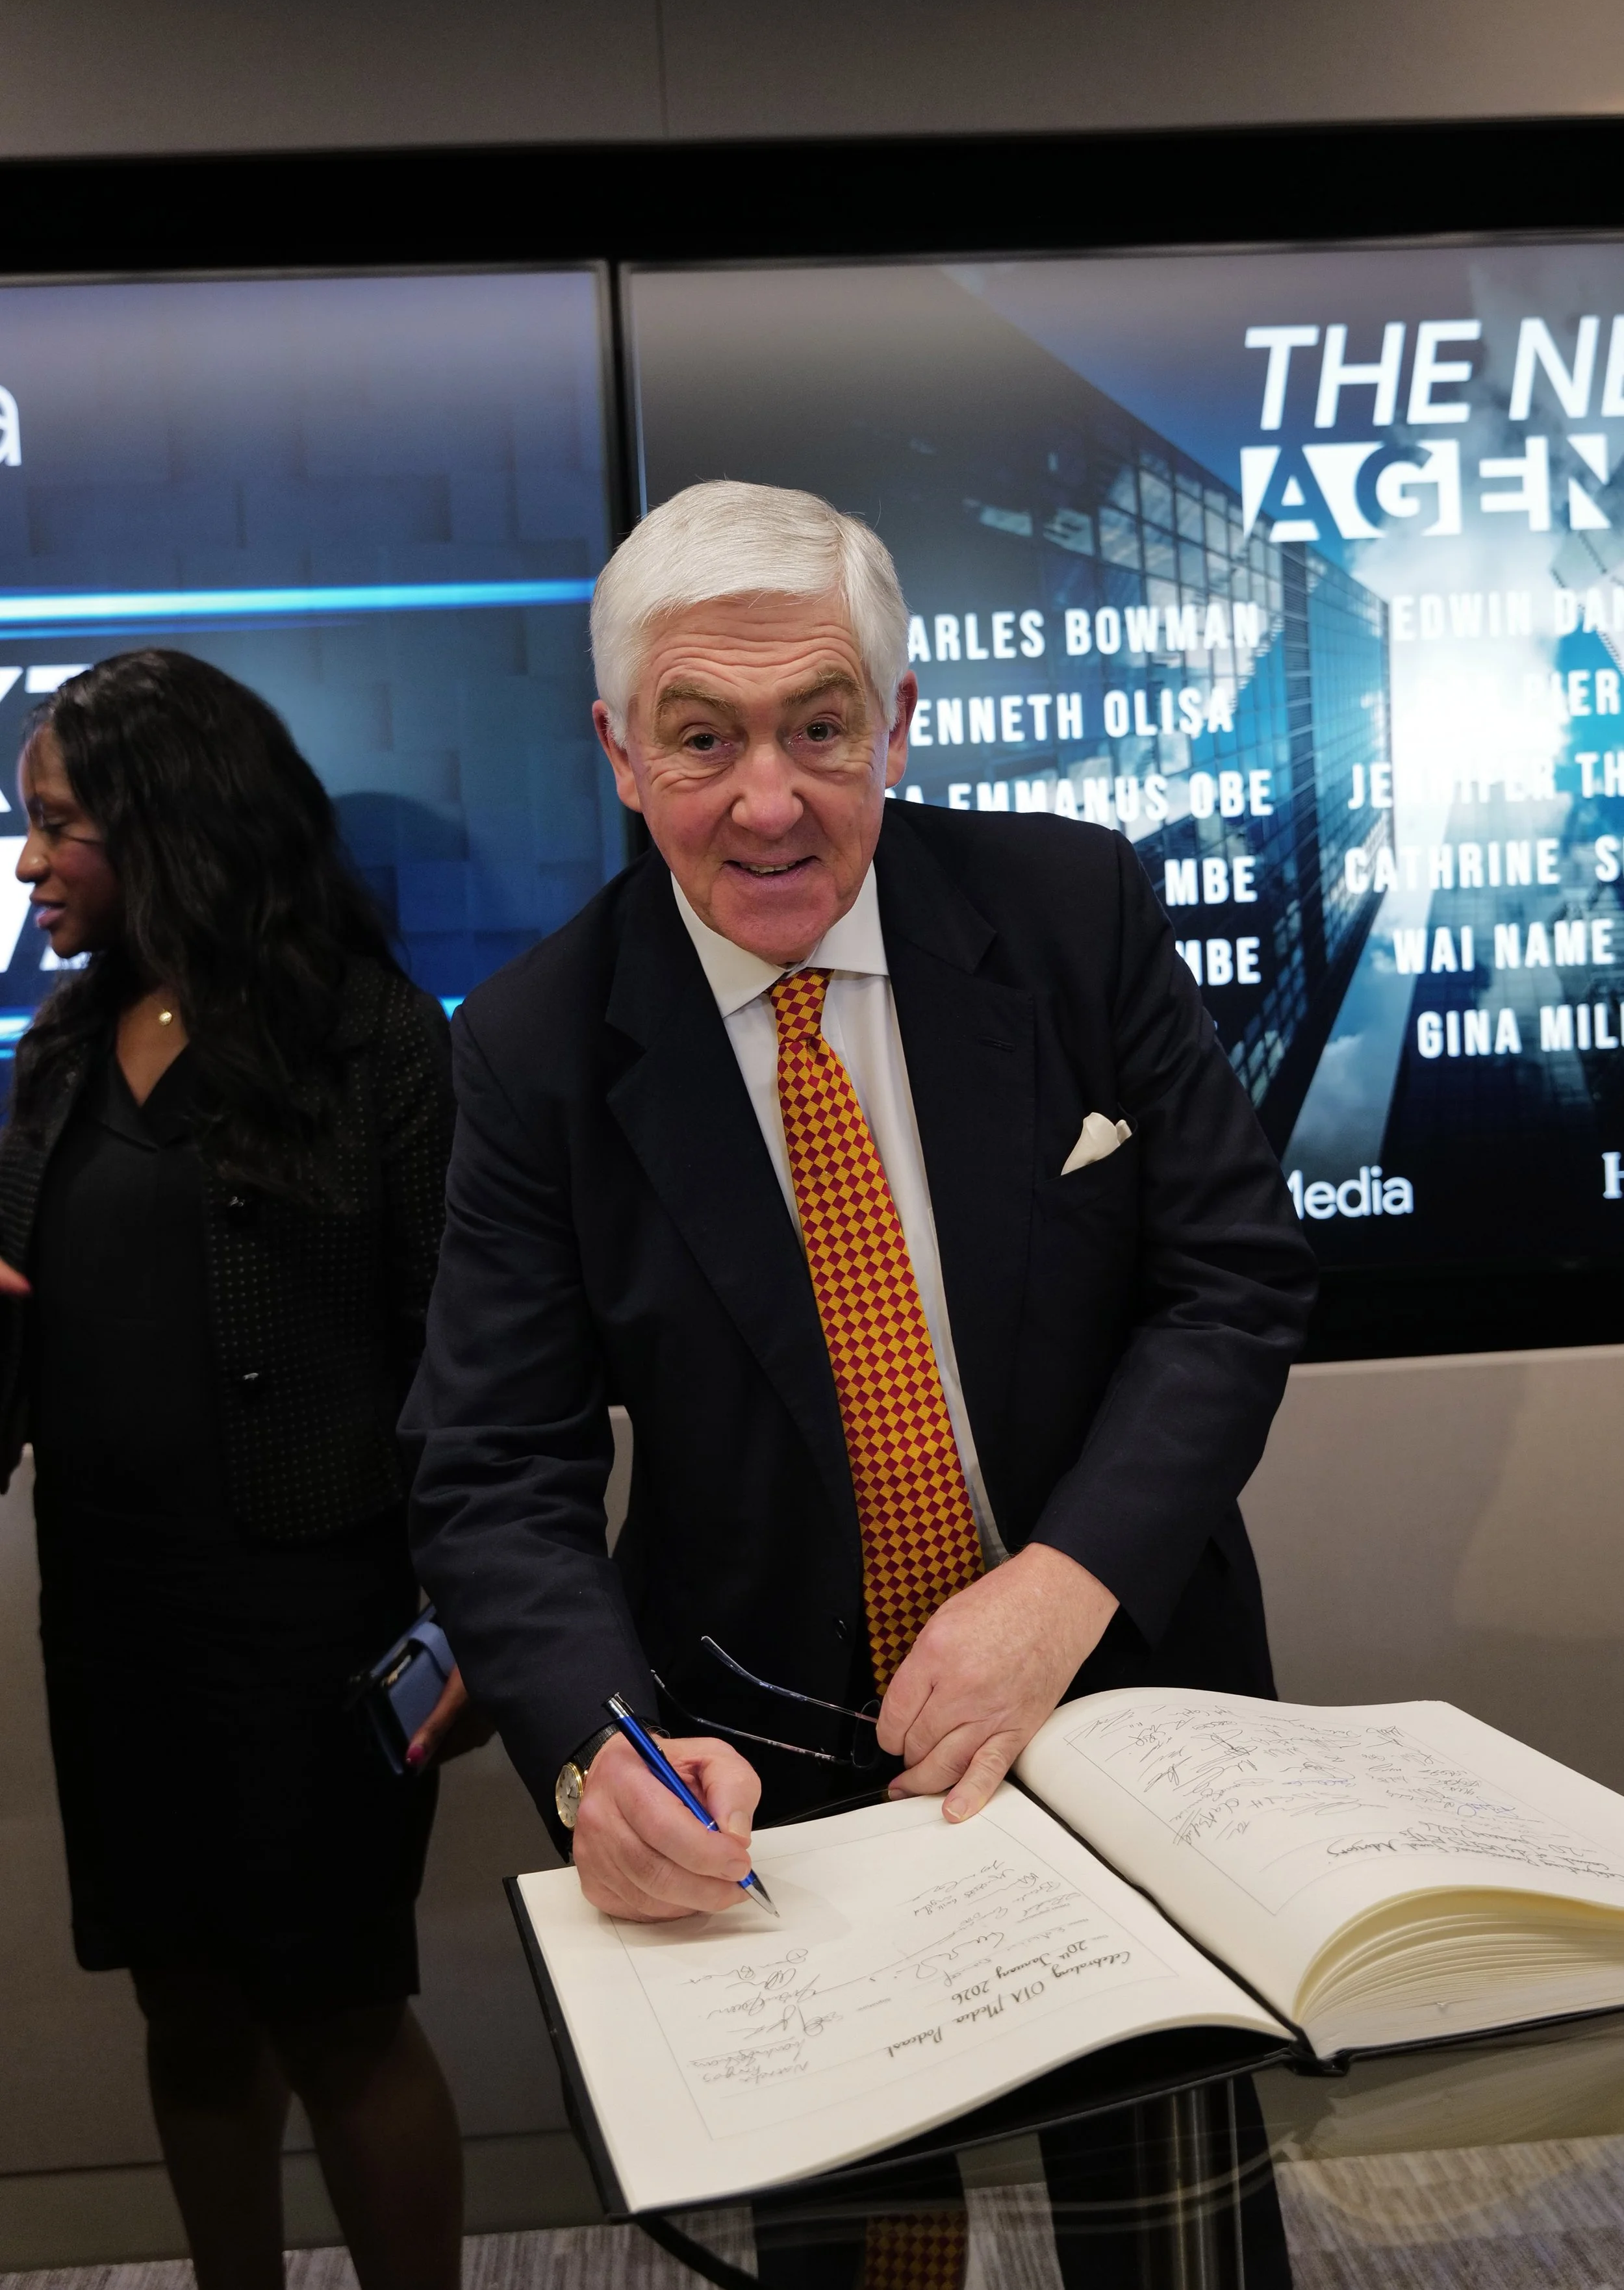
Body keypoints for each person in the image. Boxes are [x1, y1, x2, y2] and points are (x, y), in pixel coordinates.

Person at [405, 480, 1319, 1926]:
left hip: (1120, 1680)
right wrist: (602, 1754)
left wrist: (1061, 1584)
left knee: (1192, 2077)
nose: (768, 801)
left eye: (820, 730)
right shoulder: (534, 1046)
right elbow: (498, 1465)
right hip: (765, 1776)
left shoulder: (1071, 909)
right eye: (703, 738)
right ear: (622, 753)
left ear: (893, 727)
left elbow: (1233, 1277)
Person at [0, 650, 469, 2290]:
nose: (28, 863)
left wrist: (471, 1616)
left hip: (316, 1625)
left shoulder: (376, 1040)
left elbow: (461, 1363)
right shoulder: (60, 1051)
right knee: (185, 2007)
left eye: (54, 824)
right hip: (114, 1623)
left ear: (168, 824)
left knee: (339, 2013)